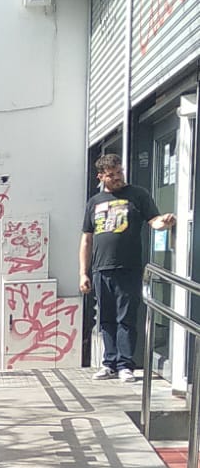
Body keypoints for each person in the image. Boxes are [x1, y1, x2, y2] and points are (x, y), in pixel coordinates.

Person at [80, 152, 176, 383]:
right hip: (101, 269)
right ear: (101, 176)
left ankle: (125, 364)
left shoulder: (137, 195)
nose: (118, 178)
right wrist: (83, 272)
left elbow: (153, 220)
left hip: (129, 267)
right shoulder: (94, 202)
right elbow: (86, 239)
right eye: (112, 175)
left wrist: (164, 222)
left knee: (126, 317)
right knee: (105, 318)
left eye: (120, 172)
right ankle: (108, 363)